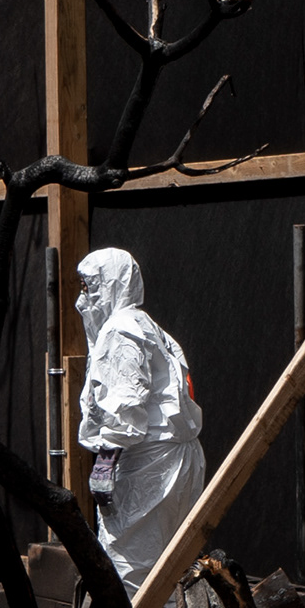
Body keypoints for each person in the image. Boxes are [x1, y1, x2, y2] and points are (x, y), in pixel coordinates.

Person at [73, 247, 206, 589]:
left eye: (90, 286)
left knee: (127, 564)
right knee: (170, 565)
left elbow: (125, 401)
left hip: (149, 465)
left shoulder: (120, 330)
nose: (84, 296)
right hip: (177, 459)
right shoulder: (148, 326)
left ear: (111, 284)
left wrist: (106, 459)